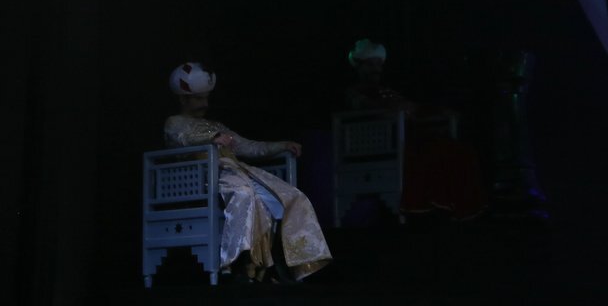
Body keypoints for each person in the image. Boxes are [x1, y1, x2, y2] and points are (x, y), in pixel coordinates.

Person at [165, 62, 332, 281]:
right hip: (202, 179)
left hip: (235, 174)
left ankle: (290, 266)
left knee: (290, 197)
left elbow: (248, 147)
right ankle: (234, 265)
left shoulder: (215, 125)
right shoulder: (174, 123)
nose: (204, 104)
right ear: (183, 99)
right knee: (244, 194)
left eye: (206, 98)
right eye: (198, 99)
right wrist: (212, 138)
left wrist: (281, 145)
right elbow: (181, 138)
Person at [343, 38, 487, 222]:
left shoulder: (387, 91)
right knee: (438, 151)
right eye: (370, 64)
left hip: (410, 137)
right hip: (383, 143)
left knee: (461, 150)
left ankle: (458, 209)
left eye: (378, 65)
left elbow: (414, 109)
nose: (375, 69)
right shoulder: (355, 93)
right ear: (360, 67)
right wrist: (393, 112)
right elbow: (372, 110)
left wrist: (437, 112)